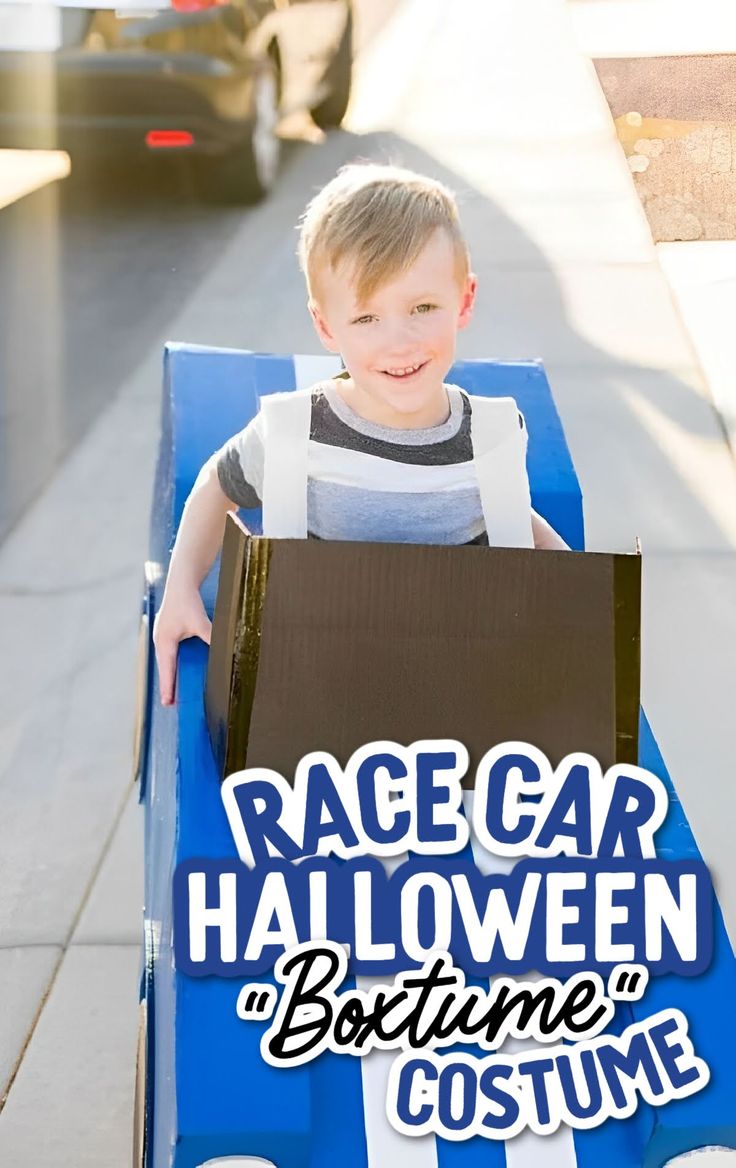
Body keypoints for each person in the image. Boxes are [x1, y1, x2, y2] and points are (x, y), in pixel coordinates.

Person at [153, 162, 568, 705]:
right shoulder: (294, 435)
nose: (400, 342)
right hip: (323, 693)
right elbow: (217, 484)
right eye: (367, 318)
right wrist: (180, 587)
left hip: (462, 692)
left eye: (422, 307)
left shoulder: (492, 434)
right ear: (326, 326)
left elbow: (502, 512)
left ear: (463, 301)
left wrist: (572, 584)